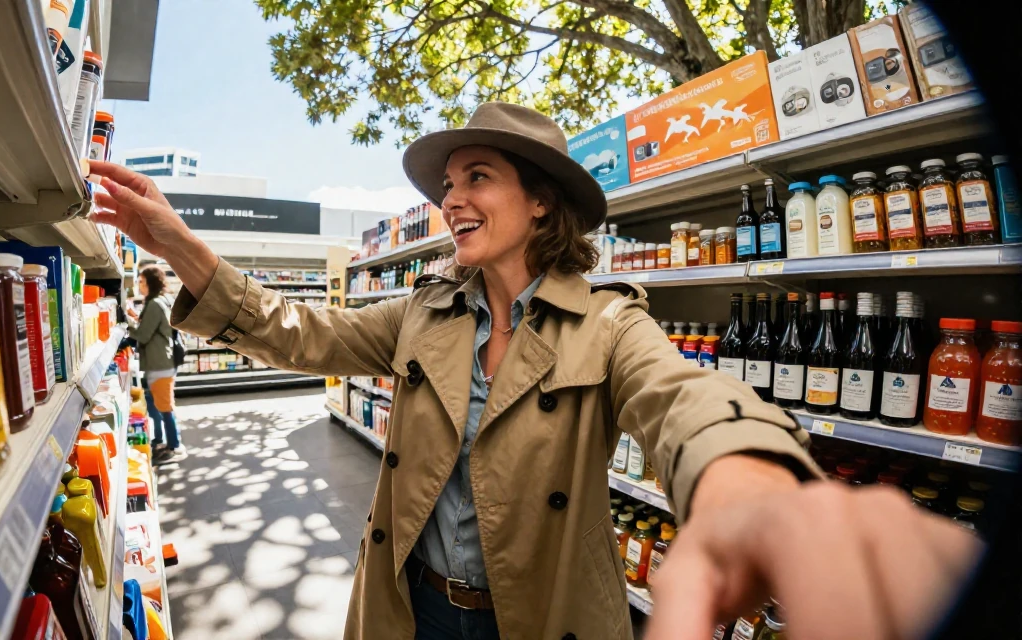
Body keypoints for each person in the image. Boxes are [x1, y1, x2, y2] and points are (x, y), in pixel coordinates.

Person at [87, 103, 981, 640]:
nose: (452, 199)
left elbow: (687, 399)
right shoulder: (422, 314)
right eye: (445, 186)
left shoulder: (607, 321)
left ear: (541, 201)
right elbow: (298, 332)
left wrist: (752, 487)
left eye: (477, 177)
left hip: (538, 616)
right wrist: (183, 249)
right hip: (413, 609)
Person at [128, 265, 185, 465]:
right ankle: (160, 440)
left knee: (165, 407)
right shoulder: (161, 301)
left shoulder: (154, 305)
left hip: (160, 364)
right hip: (161, 361)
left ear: (150, 283)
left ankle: (174, 446)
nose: (139, 285)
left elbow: (143, 335)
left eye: (141, 281)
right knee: (156, 407)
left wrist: (127, 323)